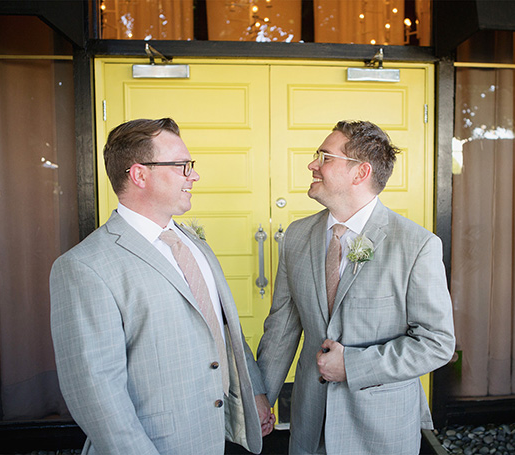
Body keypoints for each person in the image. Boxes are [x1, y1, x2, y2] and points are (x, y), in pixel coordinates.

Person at [50, 118, 273, 454]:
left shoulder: (193, 244)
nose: (193, 175)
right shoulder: (84, 266)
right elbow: (95, 391)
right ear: (139, 174)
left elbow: (225, 327)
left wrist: (253, 391)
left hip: (216, 437)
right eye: (183, 166)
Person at [256, 120, 455, 454]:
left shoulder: (417, 245)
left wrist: (352, 366)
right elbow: (281, 330)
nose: (312, 164)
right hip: (309, 424)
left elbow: (437, 343)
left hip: (380, 429)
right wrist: (262, 397)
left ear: (360, 172)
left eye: (325, 157)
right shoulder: (296, 236)